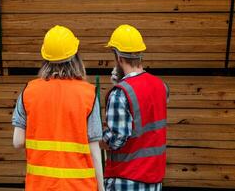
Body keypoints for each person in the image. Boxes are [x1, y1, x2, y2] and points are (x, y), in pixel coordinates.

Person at [12, 25, 104, 191]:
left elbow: (18, 142)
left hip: (39, 186)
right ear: (76, 57)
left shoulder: (29, 91)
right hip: (79, 186)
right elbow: (94, 149)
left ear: (45, 58)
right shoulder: (88, 94)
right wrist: (102, 188)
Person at [101, 24, 169, 191]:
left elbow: (116, 139)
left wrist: (94, 138)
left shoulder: (120, 94)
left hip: (126, 179)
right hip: (154, 180)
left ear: (118, 56)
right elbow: (144, 111)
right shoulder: (161, 86)